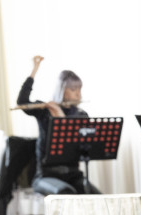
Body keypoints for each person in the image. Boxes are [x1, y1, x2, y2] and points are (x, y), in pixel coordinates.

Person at [16, 55, 100, 195]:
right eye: (73, 90)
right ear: (62, 90)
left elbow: (79, 146)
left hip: (73, 174)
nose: (78, 94)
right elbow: (22, 102)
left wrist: (61, 118)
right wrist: (34, 70)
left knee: (98, 198)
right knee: (66, 194)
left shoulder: (81, 115)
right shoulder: (45, 111)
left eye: (79, 89)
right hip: (46, 175)